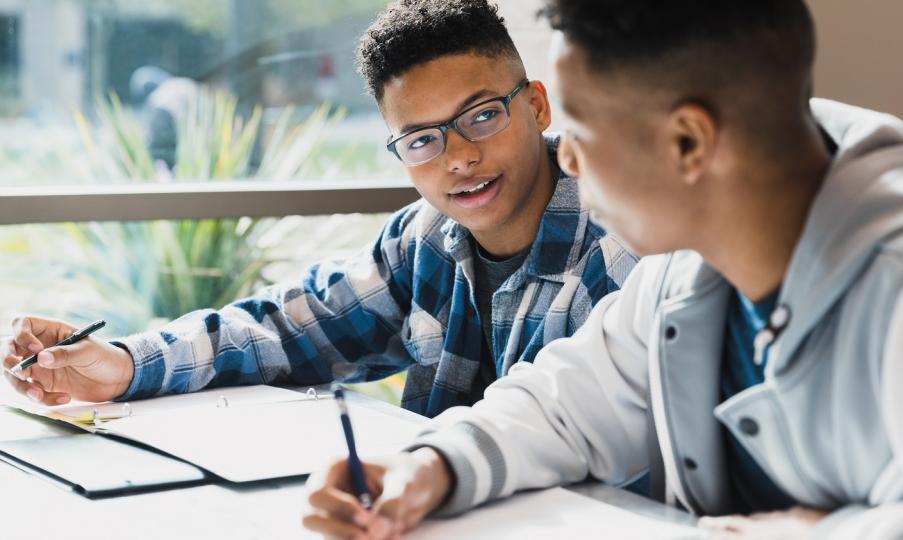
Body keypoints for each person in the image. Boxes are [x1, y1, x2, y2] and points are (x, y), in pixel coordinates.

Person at [301, 1, 903, 538]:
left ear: (688, 143)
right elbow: (566, 404)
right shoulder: (690, 260)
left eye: (583, 132)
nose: (569, 162)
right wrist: (430, 465)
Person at [1, 1, 636, 422]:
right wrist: (122, 365)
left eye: (481, 116)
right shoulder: (425, 240)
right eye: (420, 139)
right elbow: (282, 330)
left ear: (538, 107)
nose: (458, 157)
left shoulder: (623, 254)